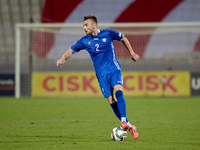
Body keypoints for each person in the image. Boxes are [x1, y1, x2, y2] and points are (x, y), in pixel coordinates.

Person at [57, 15, 140, 140]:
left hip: (114, 70)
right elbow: (71, 50)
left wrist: (132, 53)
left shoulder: (108, 33)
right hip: (101, 75)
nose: (84, 28)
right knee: (111, 101)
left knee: (118, 90)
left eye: (86, 25)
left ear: (94, 25)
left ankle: (123, 120)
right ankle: (129, 125)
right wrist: (63, 58)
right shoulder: (84, 41)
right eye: (83, 26)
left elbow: (123, 38)